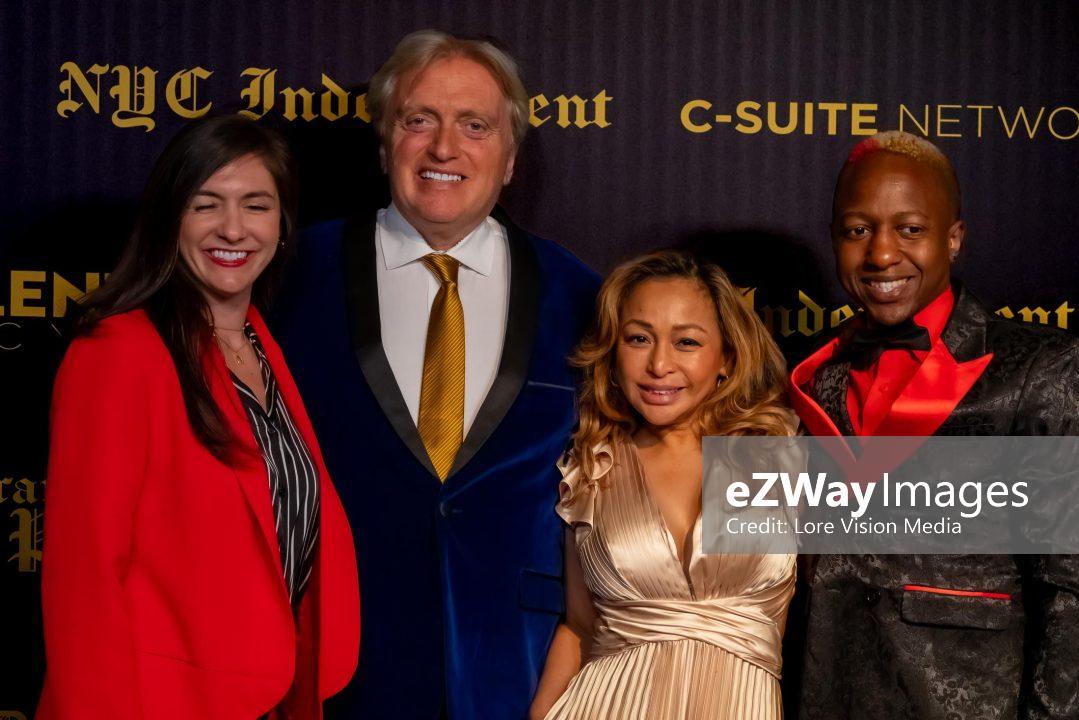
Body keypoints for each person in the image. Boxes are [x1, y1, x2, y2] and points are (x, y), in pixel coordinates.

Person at [272, 30, 599, 719]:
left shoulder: (582, 297)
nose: (444, 148)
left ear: (510, 159)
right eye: (419, 120)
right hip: (337, 666)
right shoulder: (288, 277)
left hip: (525, 672)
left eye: (475, 126)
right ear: (384, 144)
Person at [37, 115, 360, 720]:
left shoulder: (262, 347)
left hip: (267, 699)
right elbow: (84, 578)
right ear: (170, 220)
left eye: (256, 206)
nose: (233, 228)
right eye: (206, 204)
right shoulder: (118, 352)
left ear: (282, 226)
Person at [787, 131, 1079, 719]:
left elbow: (1070, 585)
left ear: (953, 238)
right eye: (857, 230)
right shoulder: (809, 371)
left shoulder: (1041, 368)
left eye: (910, 229)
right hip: (824, 694)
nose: (881, 253)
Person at [530, 249, 798, 720]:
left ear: (726, 358)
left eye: (686, 342)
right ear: (613, 354)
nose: (659, 364)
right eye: (638, 339)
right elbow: (580, 627)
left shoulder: (784, 458)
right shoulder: (591, 468)